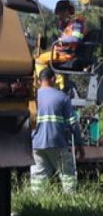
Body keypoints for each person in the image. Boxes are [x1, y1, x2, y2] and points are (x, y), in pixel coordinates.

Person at [30, 66, 83, 194]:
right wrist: (79, 143)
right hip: (57, 143)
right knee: (67, 173)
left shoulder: (32, 98)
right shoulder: (62, 97)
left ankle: (36, 204)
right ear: (53, 79)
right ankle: (70, 200)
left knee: (39, 175)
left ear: (38, 81)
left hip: (36, 143)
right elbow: (72, 123)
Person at [34, 0, 88, 89]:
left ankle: (54, 82)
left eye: (60, 13)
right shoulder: (70, 23)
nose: (59, 15)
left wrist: (61, 41)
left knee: (39, 60)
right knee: (38, 57)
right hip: (63, 52)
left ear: (66, 11)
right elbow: (65, 32)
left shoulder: (77, 23)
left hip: (67, 54)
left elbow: (75, 38)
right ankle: (58, 79)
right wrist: (62, 23)